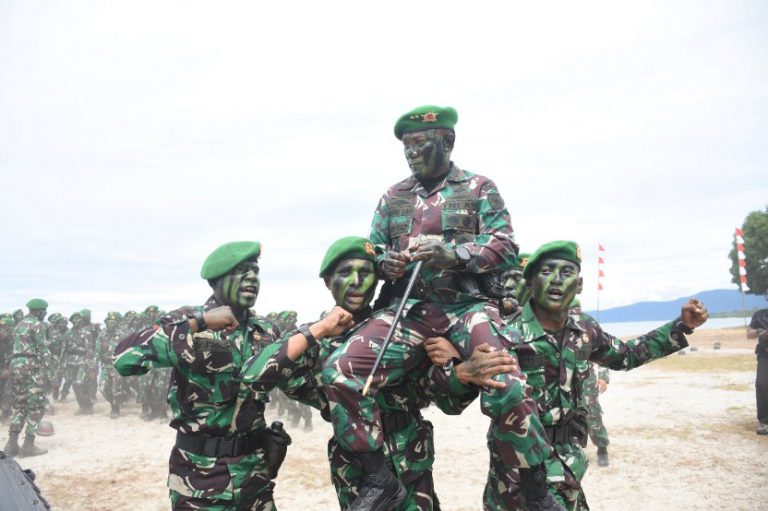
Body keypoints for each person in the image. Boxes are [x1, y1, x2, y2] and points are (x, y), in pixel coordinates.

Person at [321, 106, 560, 511]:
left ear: (447, 142)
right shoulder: (392, 196)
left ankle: (536, 488)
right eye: (406, 146)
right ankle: (379, 479)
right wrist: (384, 262)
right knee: (340, 371)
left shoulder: (479, 188)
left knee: (509, 382)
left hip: (467, 306)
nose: (411, 152)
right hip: (410, 308)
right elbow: (373, 248)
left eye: (420, 143)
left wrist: (454, 254)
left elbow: (505, 247)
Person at [242, 235, 513, 510]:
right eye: (345, 272)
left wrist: (457, 370)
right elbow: (253, 377)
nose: (357, 281)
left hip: (411, 459)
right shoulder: (314, 339)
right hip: (360, 475)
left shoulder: (404, 330)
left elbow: (448, 402)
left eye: (366, 272)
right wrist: (320, 329)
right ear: (327, 281)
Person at [114, 241, 351, 510]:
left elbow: (296, 383)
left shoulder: (266, 332)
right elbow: (124, 359)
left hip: (254, 477)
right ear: (215, 281)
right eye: (240, 271)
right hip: (199, 480)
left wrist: (340, 407)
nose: (251, 277)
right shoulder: (188, 321)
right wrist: (200, 323)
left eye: (254, 271)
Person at [482, 240, 708, 509]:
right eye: (546, 272)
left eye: (566, 273)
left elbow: (626, 354)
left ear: (579, 285)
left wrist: (682, 326)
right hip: (520, 469)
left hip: (569, 458)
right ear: (529, 281)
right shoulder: (506, 333)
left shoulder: (585, 329)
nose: (556, 280)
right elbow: (494, 399)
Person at [3, 299, 52, 457]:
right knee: (37, 406)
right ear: (39, 311)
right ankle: (28, 445)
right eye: (44, 311)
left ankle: (11, 444)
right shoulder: (37, 325)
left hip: (16, 367)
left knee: (21, 406)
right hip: (30, 368)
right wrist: (51, 375)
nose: (45, 314)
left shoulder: (18, 325)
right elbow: (43, 350)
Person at [96, 311, 125, 418]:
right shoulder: (102, 335)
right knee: (103, 388)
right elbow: (97, 351)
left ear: (116, 323)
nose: (110, 324)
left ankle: (115, 408)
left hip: (117, 365)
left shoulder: (122, 335)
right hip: (105, 365)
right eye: (108, 322)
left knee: (115, 389)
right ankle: (113, 403)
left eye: (113, 322)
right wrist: (94, 365)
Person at [747, 306, 768, 435]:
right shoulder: (760, 315)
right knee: (761, 385)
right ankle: (764, 422)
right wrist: (761, 332)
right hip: (765, 356)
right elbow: (749, 334)